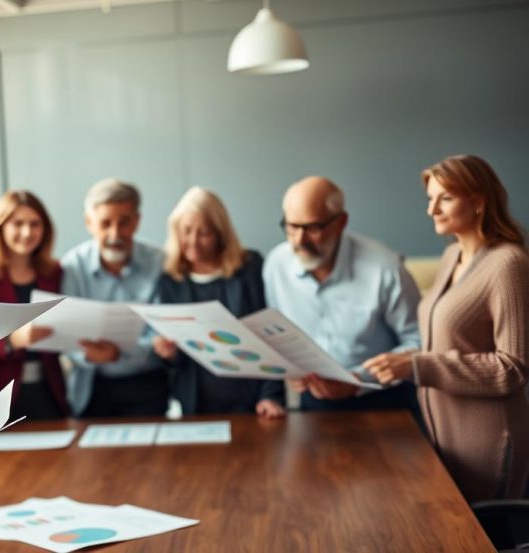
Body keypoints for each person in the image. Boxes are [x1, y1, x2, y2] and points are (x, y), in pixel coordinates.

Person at [364, 155, 528, 501]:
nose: (432, 210)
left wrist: (416, 366)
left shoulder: (508, 264)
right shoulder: (452, 256)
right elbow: (446, 344)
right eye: (430, 199)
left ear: (479, 201)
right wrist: (402, 362)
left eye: (445, 198)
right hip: (444, 436)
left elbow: (513, 368)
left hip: (488, 442)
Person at [263, 176, 422, 413]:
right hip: (313, 403)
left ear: (341, 222)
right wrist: (290, 370)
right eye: (292, 227)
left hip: (384, 402)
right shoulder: (276, 265)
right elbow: (277, 333)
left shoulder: (385, 269)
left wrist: (358, 378)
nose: (299, 240)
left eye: (312, 227)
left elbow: (419, 342)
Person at [151, 187, 285, 418]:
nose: (193, 241)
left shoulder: (249, 268)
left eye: (204, 233)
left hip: (251, 398)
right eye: (186, 231)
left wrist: (270, 395)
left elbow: (269, 335)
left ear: (221, 234)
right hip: (195, 402)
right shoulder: (170, 280)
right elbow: (176, 359)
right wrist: (168, 353)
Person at [60, 178, 167, 417]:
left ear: (137, 221)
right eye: (105, 223)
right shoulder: (72, 266)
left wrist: (119, 354)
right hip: (90, 384)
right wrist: (88, 353)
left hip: (148, 383)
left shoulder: (160, 262)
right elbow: (65, 330)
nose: (115, 233)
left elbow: (163, 328)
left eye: (124, 222)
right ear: (89, 223)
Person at [0, 190, 69, 419]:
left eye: (35, 224)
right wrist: (11, 341)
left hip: (49, 389)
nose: (27, 232)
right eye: (18, 223)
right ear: (1, 228)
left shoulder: (54, 272)